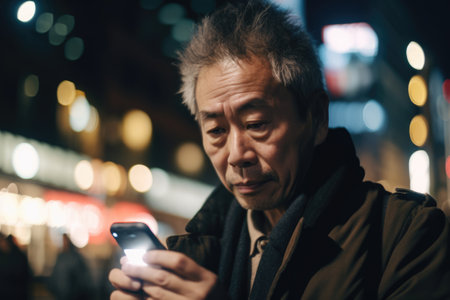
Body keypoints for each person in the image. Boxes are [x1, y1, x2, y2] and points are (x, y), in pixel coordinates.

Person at [109, 0, 450, 299]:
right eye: (215, 130)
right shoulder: (194, 254)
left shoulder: (408, 238)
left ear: (316, 118)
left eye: (256, 124)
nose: (236, 154)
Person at [48, 234, 96, 300]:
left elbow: (82, 278)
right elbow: (55, 275)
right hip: (60, 294)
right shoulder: (60, 257)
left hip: (73, 295)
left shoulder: (76, 257)